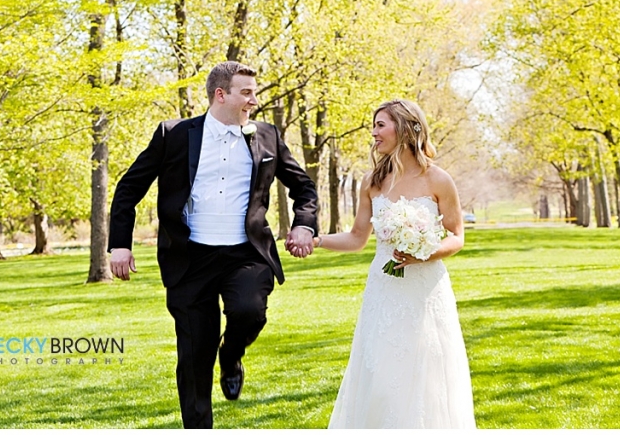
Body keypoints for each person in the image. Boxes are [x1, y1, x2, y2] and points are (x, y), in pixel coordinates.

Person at [107, 61, 318, 429]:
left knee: (249, 311)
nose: (254, 100)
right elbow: (129, 188)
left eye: (254, 92)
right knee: (194, 355)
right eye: (246, 93)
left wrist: (303, 224)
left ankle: (231, 354)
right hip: (189, 258)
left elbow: (304, 187)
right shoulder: (173, 134)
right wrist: (120, 245)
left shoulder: (267, 135)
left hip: (246, 253)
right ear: (221, 94)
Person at [314, 99, 476, 429]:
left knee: (427, 372)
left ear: (404, 128)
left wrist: (425, 253)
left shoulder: (438, 179)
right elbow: (357, 238)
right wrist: (316, 241)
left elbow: (457, 237)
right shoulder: (372, 181)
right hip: (384, 289)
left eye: (380, 125)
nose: (373, 133)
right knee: (381, 373)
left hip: (425, 292)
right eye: (373, 126)